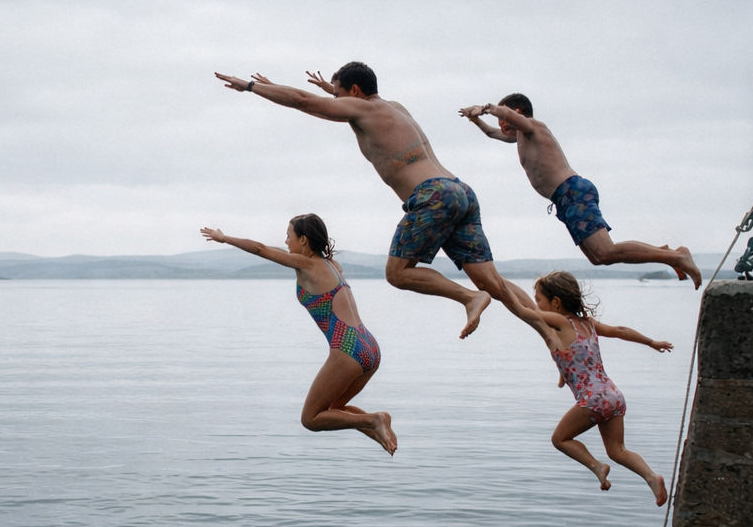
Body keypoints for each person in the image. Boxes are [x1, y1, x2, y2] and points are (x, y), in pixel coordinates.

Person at [215, 62, 545, 340]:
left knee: (398, 274)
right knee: (496, 282)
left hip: (432, 197)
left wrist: (250, 87)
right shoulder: (395, 107)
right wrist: (323, 91)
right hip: (458, 190)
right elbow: (320, 100)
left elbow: (302, 101)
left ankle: (469, 298)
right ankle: (553, 335)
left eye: (339, 93)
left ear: (355, 91)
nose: (336, 101)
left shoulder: (362, 108)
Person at [200, 214, 397, 455]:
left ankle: (374, 420)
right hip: (370, 347)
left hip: (347, 349)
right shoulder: (333, 265)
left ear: (303, 240)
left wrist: (225, 238)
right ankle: (377, 427)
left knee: (311, 419)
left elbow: (262, 250)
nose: (285, 241)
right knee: (335, 409)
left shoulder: (307, 265)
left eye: (288, 236)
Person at [460, 94, 703, 288]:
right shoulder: (520, 137)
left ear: (517, 113)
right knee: (598, 258)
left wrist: (485, 108)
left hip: (572, 192)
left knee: (606, 251)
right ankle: (664, 253)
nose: (500, 125)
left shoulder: (532, 127)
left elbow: (504, 115)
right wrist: (475, 120)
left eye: (503, 119)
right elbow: (492, 133)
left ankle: (677, 257)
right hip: (564, 199)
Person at [516, 270, 672, 505]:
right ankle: (651, 477)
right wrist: (651, 342)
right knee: (618, 450)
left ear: (556, 303)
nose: (537, 305)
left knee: (560, 439)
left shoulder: (561, 321)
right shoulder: (587, 324)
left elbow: (523, 311)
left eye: (539, 299)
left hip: (593, 400)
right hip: (614, 397)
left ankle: (597, 467)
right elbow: (619, 332)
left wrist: (497, 286)